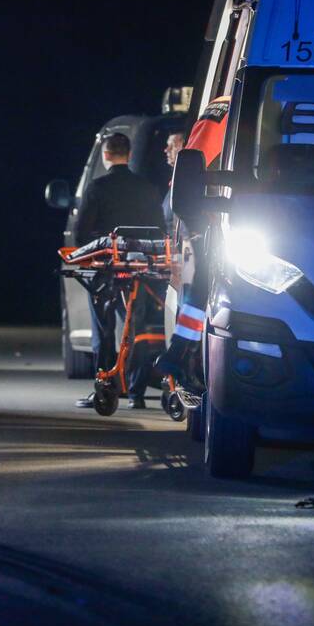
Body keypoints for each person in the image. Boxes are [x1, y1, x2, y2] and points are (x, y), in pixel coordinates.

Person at [74, 132, 165, 409]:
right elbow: (159, 230)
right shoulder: (148, 189)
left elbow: (80, 235)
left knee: (103, 331)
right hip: (139, 269)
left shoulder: (97, 188)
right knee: (136, 329)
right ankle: (136, 393)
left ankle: (105, 387)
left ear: (105, 155)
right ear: (128, 153)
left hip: (105, 270)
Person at [155, 96, 231, 386]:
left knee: (194, 293)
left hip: (190, 210)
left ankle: (181, 361)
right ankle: (180, 359)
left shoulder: (219, 106)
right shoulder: (244, 104)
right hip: (201, 215)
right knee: (200, 293)